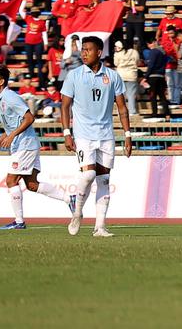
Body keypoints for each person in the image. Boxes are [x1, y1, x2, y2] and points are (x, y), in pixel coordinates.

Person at [0, 65, 74, 230]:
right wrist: (2, 138)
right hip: (26, 144)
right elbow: (14, 124)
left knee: (11, 180)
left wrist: (12, 136)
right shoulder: (1, 98)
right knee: (32, 185)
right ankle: (70, 199)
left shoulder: (9, 97)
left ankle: (19, 222)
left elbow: (29, 118)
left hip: (24, 145)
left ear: (2, 82)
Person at [60, 36, 130, 237]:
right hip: (83, 135)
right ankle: (77, 212)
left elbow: (122, 108)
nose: (84, 53)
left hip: (106, 135)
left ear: (99, 52)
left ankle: (100, 227)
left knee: (104, 180)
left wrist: (127, 135)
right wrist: (67, 133)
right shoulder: (74, 75)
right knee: (88, 175)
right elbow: (64, 106)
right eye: (83, 50)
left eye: (88, 50)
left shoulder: (113, 76)